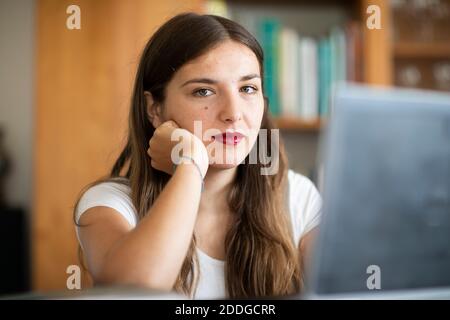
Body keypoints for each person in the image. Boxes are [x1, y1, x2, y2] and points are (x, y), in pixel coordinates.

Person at [74, 12, 322, 299]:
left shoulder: (297, 197)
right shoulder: (111, 204)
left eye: (248, 88)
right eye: (203, 91)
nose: (233, 113)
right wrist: (190, 164)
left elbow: (348, 290)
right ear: (154, 108)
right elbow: (137, 288)